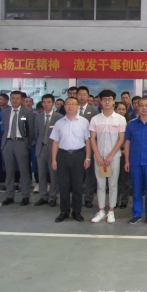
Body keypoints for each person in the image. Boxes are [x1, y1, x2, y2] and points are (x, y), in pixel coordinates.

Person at [50, 97, 91, 222]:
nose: (70, 106)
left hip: (78, 155)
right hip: (62, 156)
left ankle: (77, 211)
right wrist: (54, 159)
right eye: (67, 104)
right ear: (64, 106)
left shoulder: (84, 122)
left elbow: (88, 141)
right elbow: (55, 142)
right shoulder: (59, 122)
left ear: (78, 106)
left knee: (77, 186)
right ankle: (64, 211)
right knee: (63, 186)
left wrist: (88, 158)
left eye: (73, 104)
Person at [89, 90, 126, 224]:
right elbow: (92, 139)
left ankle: (111, 211)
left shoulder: (120, 119)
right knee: (100, 184)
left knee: (113, 184)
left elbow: (121, 139)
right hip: (99, 157)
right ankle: (101, 211)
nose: (107, 102)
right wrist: (97, 156)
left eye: (109, 99)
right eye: (104, 99)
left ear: (114, 101)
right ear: (100, 101)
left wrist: (110, 155)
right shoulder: (95, 119)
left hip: (114, 157)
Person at [1, 91, 35, 206]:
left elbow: (31, 130)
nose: (15, 100)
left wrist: (27, 144)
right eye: (13, 98)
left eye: (17, 98)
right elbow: (4, 128)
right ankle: (10, 195)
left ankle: (25, 196)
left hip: (21, 143)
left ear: (22, 100)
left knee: (24, 171)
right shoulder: (5, 112)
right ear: (10, 99)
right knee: (9, 171)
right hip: (8, 142)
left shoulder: (27, 112)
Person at [33, 94, 63, 207]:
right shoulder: (38, 117)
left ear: (53, 103)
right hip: (41, 148)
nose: (46, 104)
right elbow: (36, 133)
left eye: (49, 102)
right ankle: (43, 196)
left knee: (53, 174)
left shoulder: (59, 117)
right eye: (44, 102)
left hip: (53, 149)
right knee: (41, 174)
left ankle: (53, 197)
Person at [76, 86, 99, 209]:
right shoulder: (72, 109)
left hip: (90, 146)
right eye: (80, 94)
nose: (82, 96)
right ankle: (77, 198)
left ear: (88, 96)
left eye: (84, 94)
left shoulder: (94, 111)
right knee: (77, 175)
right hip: (75, 147)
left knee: (89, 175)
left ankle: (88, 198)